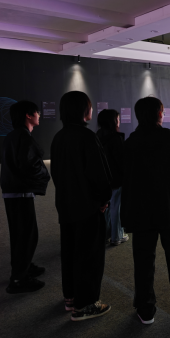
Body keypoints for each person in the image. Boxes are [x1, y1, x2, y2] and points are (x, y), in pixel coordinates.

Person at [121, 96, 170, 325]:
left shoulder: (129, 144)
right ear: (159, 114)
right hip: (169, 209)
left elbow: (122, 175)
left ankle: (145, 309)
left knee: (143, 260)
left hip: (140, 212)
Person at [51, 91, 112, 321]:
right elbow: (99, 174)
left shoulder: (59, 137)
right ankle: (85, 304)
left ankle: (71, 297)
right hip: (88, 208)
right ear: (83, 110)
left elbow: (56, 174)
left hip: (66, 205)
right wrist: (103, 201)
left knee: (70, 252)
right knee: (89, 256)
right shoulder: (87, 137)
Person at [0, 101, 50, 294]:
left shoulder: (13, 136)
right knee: (27, 236)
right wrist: (44, 177)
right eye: (37, 112)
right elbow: (29, 166)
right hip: (20, 193)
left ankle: (23, 267)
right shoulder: (23, 137)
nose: (39, 115)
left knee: (20, 234)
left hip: (12, 193)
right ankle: (19, 279)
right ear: (28, 115)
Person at [96, 109, 128, 246]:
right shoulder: (116, 139)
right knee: (116, 208)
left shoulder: (96, 137)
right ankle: (117, 236)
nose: (119, 121)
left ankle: (105, 234)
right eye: (118, 119)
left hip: (102, 180)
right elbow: (121, 162)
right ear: (113, 121)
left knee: (106, 208)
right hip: (116, 179)